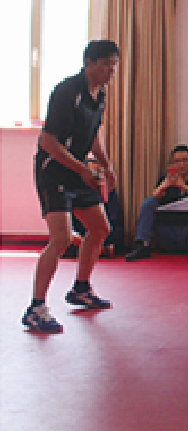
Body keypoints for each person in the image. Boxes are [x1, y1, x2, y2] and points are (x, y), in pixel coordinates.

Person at [22, 40, 119, 334]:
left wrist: (106, 165)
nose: (111, 71)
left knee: (100, 229)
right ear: (88, 63)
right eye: (106, 64)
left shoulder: (100, 94)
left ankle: (81, 288)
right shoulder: (67, 92)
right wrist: (83, 170)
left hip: (78, 169)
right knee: (62, 238)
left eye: (114, 65)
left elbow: (92, 134)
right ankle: (36, 308)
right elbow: (48, 141)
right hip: (53, 170)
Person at [125, 145, 188, 262]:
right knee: (149, 202)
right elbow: (153, 196)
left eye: (185, 160)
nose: (181, 164)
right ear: (172, 164)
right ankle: (142, 245)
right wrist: (164, 186)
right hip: (166, 232)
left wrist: (182, 186)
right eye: (177, 161)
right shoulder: (165, 181)